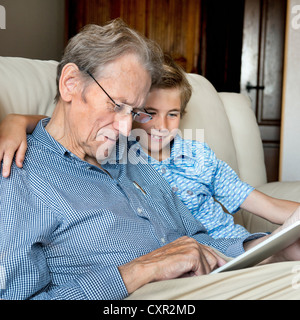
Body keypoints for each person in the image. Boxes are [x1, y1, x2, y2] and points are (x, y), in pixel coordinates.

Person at [1, 19, 300, 301]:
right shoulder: (19, 175)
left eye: (134, 112)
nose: (126, 128)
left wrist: (273, 249)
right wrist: (138, 271)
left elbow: (196, 241)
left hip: (209, 283)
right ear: (70, 83)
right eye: (116, 105)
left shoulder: (129, 153)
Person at [2, 55, 299, 241]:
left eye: (173, 114)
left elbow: (265, 205)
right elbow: (68, 127)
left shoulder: (198, 157)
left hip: (239, 243)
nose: (161, 126)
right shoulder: (119, 150)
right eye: (149, 113)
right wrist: (16, 121)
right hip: (193, 255)